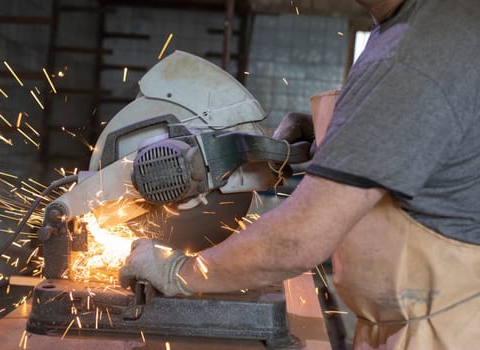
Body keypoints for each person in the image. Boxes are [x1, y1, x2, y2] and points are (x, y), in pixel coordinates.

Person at [119, 0, 480, 348]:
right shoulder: (409, 23)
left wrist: (179, 271)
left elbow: (300, 238)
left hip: (445, 333)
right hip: (417, 321)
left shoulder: (416, 49)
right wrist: (336, 136)